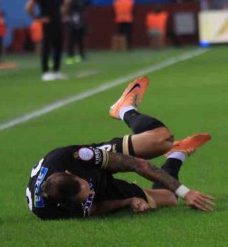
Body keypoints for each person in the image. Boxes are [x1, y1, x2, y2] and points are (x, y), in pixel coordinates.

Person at [25, 76, 215, 219]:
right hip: (98, 187)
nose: (91, 193)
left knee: (161, 139)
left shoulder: (75, 157)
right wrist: (128, 201)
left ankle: (124, 110)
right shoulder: (52, 211)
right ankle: (176, 154)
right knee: (169, 199)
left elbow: (138, 165)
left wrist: (186, 192)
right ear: (66, 204)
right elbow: (95, 208)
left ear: (71, 173)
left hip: (94, 164)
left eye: (87, 188)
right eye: (86, 196)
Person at [26, 0, 70, 81]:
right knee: (46, 47)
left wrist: (66, 7)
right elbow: (28, 7)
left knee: (58, 47)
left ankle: (56, 70)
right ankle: (45, 72)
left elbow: (62, 10)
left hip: (58, 23)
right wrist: (37, 18)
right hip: (46, 24)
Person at [65, 0, 87, 64]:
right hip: (71, 26)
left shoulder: (76, 6)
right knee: (71, 42)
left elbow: (81, 12)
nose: (68, 0)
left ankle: (81, 55)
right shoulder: (65, 7)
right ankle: (70, 56)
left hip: (79, 26)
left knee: (80, 42)